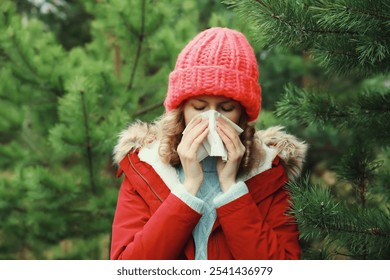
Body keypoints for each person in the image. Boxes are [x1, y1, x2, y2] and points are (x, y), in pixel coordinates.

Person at [110, 27, 308, 260]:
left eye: (226, 109)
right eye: (200, 107)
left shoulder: (269, 172)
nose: (212, 119)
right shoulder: (145, 166)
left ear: (242, 115)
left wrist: (232, 190)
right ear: (181, 109)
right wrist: (189, 187)